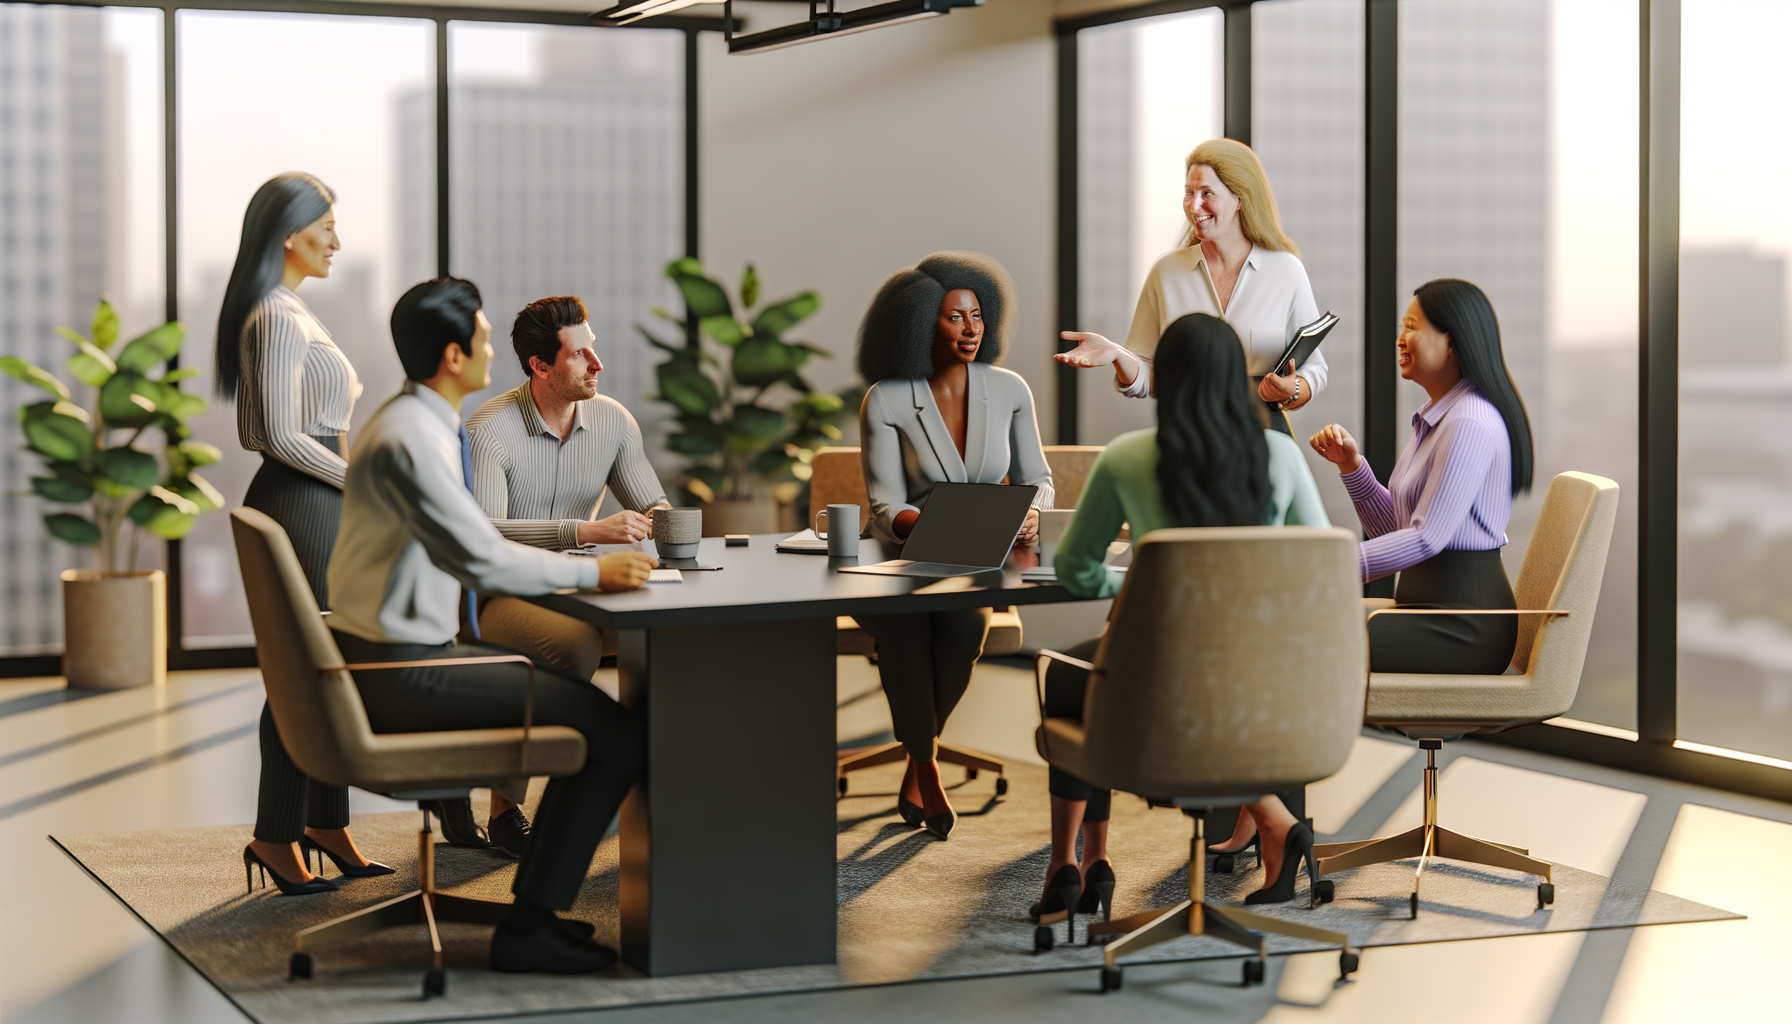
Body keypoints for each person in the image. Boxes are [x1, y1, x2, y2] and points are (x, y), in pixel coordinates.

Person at [319, 277, 657, 974]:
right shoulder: (419, 438)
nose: (488, 350)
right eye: (478, 338)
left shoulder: (414, 422)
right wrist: (595, 571)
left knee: (606, 729)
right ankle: (530, 924)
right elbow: (481, 554)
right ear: (451, 355)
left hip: (398, 651)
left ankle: (535, 911)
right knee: (616, 736)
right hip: (405, 669)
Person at [1034, 313, 1330, 926]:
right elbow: (1316, 565)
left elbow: (1074, 570)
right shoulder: (1280, 455)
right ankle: (1273, 818)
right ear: (1236, 381)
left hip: (1151, 675)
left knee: (1067, 678)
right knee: (1204, 682)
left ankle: (1073, 864)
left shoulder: (1128, 458)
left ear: (1164, 379)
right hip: (1259, 676)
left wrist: (1138, 580)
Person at [456, 295, 671, 856]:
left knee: (674, 637)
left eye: (593, 350)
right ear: (540, 366)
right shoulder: (489, 430)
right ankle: (509, 809)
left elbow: (654, 507)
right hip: (503, 595)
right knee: (572, 647)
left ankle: (661, 790)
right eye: (581, 356)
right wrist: (584, 532)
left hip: (588, 588)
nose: (598, 364)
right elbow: (486, 537)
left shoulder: (614, 421)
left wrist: (676, 530)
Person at [856, 251, 1054, 840]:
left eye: (976, 316)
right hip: (896, 558)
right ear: (919, 326)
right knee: (905, 637)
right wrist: (947, 519)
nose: (971, 330)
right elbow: (887, 508)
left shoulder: (1010, 390)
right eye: (953, 319)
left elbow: (1038, 479)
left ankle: (918, 757)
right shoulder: (887, 399)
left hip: (975, 557)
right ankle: (927, 767)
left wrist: (1029, 514)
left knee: (964, 632)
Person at [222, 173, 382, 894]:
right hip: (307, 501)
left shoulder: (280, 312)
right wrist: (363, 485)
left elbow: (259, 430)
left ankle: (325, 826)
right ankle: (276, 834)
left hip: (313, 497)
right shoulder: (279, 316)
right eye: (326, 227)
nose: (337, 242)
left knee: (327, 662)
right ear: (289, 233)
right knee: (310, 668)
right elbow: (279, 435)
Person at [1309, 278, 1534, 675]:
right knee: (1296, 629)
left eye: (1412, 327)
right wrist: (1352, 466)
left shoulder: (1468, 422)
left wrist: (1330, 566)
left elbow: (1426, 538)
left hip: (1463, 626)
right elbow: (1397, 530)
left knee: (1302, 638)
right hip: (1426, 610)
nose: (1400, 339)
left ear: (1452, 341)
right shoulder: (1440, 418)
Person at [1056, 138, 1327, 435]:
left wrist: (1292, 388)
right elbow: (1149, 376)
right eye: (1189, 193)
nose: (1194, 205)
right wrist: (1118, 355)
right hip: (1185, 440)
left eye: (1207, 193)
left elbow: (1315, 368)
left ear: (1240, 199)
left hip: (1266, 439)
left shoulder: (1285, 270)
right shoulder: (1166, 272)